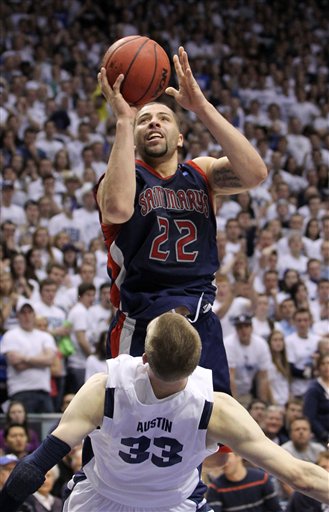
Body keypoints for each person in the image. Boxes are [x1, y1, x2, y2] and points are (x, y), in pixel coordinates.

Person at [0, 313, 328, 512]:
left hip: (99, 501)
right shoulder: (217, 409)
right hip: (174, 504)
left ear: (144, 357)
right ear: (196, 363)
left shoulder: (104, 391)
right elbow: (300, 477)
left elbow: (35, 467)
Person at [95, 46, 268, 392]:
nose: (154, 122)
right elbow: (117, 210)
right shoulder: (124, 176)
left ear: (180, 138)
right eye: (145, 119)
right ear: (136, 136)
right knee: (127, 434)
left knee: (215, 438)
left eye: (164, 118)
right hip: (142, 319)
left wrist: (201, 107)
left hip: (199, 316)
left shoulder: (201, 172)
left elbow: (255, 174)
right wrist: (124, 120)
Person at [0, 298, 57, 413]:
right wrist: (41, 359)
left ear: (34, 314)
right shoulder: (10, 335)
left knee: (49, 430)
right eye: (23, 312)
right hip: (20, 391)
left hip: (44, 391)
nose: (27, 316)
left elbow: (50, 360)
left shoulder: (45, 336)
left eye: (29, 312)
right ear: (18, 316)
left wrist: (25, 358)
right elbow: (17, 364)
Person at [206, 451, 282, 511]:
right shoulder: (215, 488)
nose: (223, 462)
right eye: (220, 458)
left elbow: (276, 509)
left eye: (227, 456)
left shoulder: (262, 479)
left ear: (239, 456)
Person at [303, 353, 329, 445]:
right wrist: (324, 435)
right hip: (321, 437)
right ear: (318, 367)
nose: (326, 366)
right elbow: (310, 416)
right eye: (323, 363)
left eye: (328, 363)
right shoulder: (313, 389)